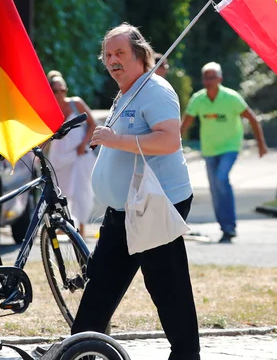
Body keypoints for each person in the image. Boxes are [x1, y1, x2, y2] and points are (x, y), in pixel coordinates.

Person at [72, 23, 200, 360]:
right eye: (108, 55)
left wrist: (115, 141)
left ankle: (186, 355)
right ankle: (80, 349)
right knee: (100, 285)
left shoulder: (155, 90)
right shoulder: (127, 91)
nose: (112, 60)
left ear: (141, 56)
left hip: (154, 206)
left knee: (167, 289)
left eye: (120, 53)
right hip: (122, 212)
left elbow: (169, 140)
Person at [180, 61, 268, 243]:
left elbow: (252, 118)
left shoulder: (231, 97)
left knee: (221, 179)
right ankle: (226, 229)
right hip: (210, 149)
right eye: (206, 77)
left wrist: (261, 144)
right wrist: (173, 146)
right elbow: (185, 124)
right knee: (215, 189)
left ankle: (230, 225)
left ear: (220, 78)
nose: (208, 81)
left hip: (230, 147)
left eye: (212, 77)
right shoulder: (198, 99)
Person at [46, 70, 98, 236]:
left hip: (80, 154)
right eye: (56, 91)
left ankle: (81, 230)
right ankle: (63, 226)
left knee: (82, 191)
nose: (60, 94)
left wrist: (84, 144)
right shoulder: (48, 110)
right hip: (59, 156)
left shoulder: (76, 103)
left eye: (63, 90)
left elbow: (92, 124)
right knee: (60, 191)